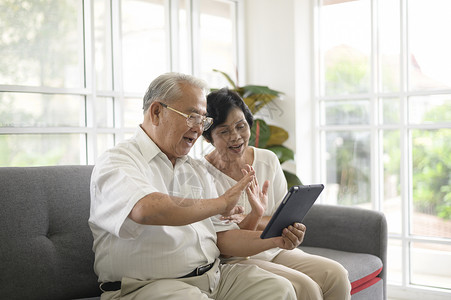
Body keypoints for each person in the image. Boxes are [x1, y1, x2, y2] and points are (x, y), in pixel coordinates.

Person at [88, 72, 305, 300]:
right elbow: (145, 209)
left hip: (214, 277)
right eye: (192, 116)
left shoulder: (194, 168)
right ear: (156, 112)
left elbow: (225, 238)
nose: (199, 128)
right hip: (149, 287)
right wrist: (221, 203)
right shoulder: (117, 161)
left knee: (278, 289)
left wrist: (276, 240)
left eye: (203, 120)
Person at [202, 87, 352, 300]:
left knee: (336, 274)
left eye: (240, 126)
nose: (235, 137)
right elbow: (228, 246)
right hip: (237, 259)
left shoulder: (267, 160)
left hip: (275, 250)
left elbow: (282, 218)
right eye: (224, 131)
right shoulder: (202, 175)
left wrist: (249, 218)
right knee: (305, 287)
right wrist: (257, 217)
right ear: (208, 137)